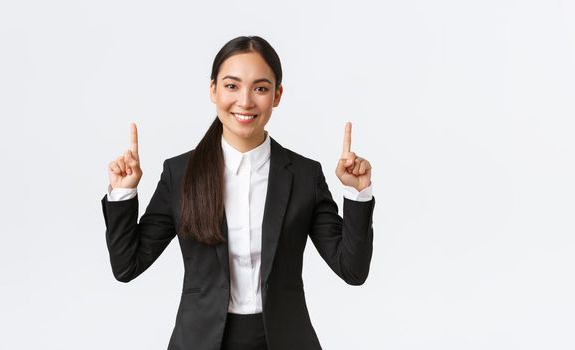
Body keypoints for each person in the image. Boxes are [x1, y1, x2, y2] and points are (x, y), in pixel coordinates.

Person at [101, 36, 375, 350]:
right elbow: (127, 266)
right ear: (213, 89)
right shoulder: (181, 174)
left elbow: (352, 270)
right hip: (201, 341)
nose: (245, 101)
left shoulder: (304, 175)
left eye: (260, 88)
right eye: (232, 86)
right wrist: (123, 194)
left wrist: (358, 194)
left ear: (277, 95)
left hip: (284, 340)